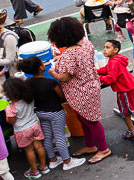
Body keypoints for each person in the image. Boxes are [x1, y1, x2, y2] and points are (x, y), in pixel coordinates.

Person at [47, 17, 110, 164]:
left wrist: (52, 73)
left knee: (91, 121)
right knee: (84, 119)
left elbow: (64, 77)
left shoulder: (69, 56)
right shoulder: (86, 44)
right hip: (91, 85)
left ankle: (104, 148)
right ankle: (90, 145)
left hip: (79, 92)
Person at [18, 55, 84, 171]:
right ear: (41, 68)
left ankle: (53, 160)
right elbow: (61, 96)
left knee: (47, 137)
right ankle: (67, 161)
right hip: (55, 112)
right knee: (59, 136)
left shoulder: (28, 82)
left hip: (40, 112)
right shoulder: (50, 82)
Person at [98, 39, 134, 140]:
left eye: (107, 48)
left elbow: (111, 78)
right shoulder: (117, 59)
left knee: (125, 111)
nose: (104, 50)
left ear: (115, 50)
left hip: (123, 90)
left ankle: (132, 130)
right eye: (104, 48)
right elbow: (107, 69)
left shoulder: (113, 62)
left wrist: (98, 78)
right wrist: (97, 71)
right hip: (131, 87)